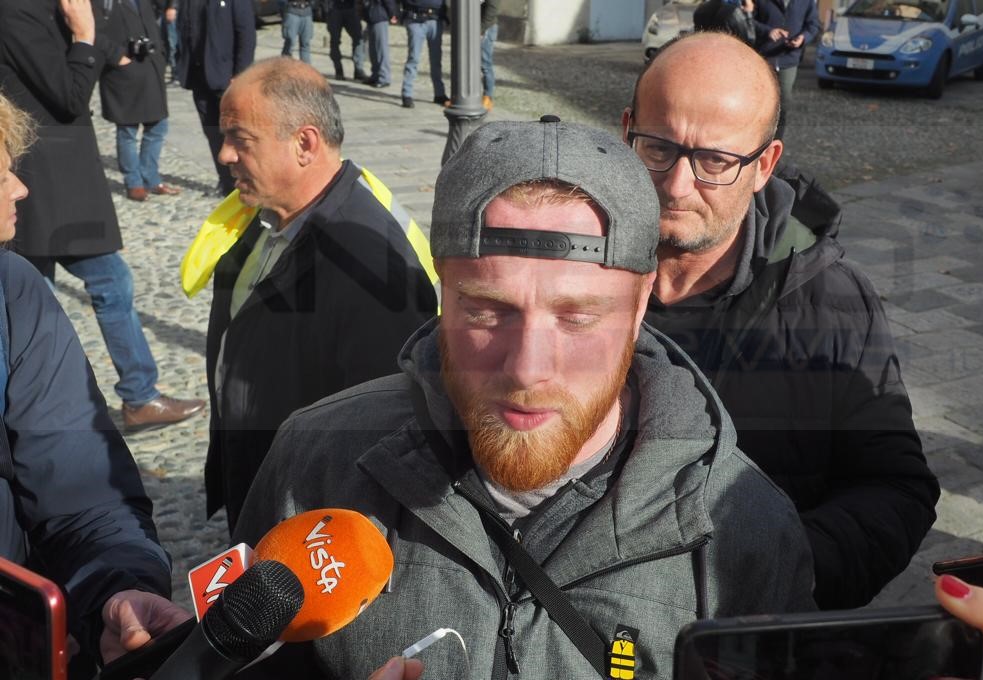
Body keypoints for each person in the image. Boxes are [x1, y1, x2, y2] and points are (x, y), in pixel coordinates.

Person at [233, 117, 816, 679]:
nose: (527, 369)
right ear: (443, 292)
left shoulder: (743, 529)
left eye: (578, 317)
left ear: (640, 305)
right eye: (487, 311)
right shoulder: (314, 461)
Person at [624, 32, 939, 611]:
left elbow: (896, 490)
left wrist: (777, 572)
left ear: (764, 165)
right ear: (627, 132)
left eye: (716, 161)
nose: (676, 185)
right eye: (657, 148)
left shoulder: (832, 300)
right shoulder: (563, 275)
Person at [0, 90, 191, 676]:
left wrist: (117, 586)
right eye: (0, 174)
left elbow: (78, 486)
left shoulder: (13, 292)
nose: (20, 188)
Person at [206, 57, 437, 532]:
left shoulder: (370, 266)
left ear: (305, 144)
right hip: (259, 483)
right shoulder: (268, 213)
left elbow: (382, 437)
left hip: (302, 519)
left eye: (240, 139)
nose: (224, 154)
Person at [0, 0, 206, 431]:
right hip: (47, 185)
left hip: (63, 181)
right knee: (69, 291)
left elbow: (92, 35)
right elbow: (69, 94)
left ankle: (117, 398)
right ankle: (132, 397)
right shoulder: (13, 12)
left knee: (37, 294)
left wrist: (111, 49)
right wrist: (84, 37)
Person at [96, 0, 182, 202]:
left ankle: (151, 178)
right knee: (127, 129)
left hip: (150, 66)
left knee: (158, 125)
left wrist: (160, 53)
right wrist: (117, 56)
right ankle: (134, 182)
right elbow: (89, 30)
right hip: (121, 71)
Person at [177, 0, 256, 196]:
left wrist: (240, 74)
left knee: (237, 134)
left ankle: (247, 182)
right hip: (199, 78)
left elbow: (246, 34)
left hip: (226, 78)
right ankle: (226, 183)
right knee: (212, 133)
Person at [752, 0, 820, 138]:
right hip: (763, 57)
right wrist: (768, 31)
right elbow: (749, 21)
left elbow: (813, 25)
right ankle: (756, 139)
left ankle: (777, 141)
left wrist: (802, 38)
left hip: (789, 59)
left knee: (783, 104)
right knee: (759, 101)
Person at [399, 0, 447, 108]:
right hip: (415, 18)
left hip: (435, 18)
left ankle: (439, 94)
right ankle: (407, 94)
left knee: (436, 59)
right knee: (413, 58)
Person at [327, 0, 368, 81]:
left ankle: (359, 69)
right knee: (334, 41)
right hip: (334, 8)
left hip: (351, 7)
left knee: (358, 39)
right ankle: (338, 69)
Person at [364, 0, 399, 88]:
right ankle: (375, 75)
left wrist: (393, 14)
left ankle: (384, 77)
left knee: (381, 49)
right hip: (371, 16)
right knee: (373, 49)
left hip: (380, 16)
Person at [280, 0, 314, 64]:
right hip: (292, 11)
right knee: (290, 43)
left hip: (307, 12)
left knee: (306, 44)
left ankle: (305, 68)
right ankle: (284, 66)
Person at [480, 0, 498, 110]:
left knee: (485, 64)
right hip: (479, 26)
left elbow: (492, 8)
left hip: (487, 28)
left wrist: (481, 29)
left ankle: (488, 97)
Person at [161, 0, 180, 84]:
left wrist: (172, 6)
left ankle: (176, 75)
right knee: (168, 44)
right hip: (164, 9)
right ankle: (175, 74)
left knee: (173, 44)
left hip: (170, 10)